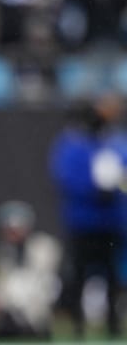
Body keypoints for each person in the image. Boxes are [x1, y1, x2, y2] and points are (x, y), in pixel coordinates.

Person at [49, 95, 127, 339]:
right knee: (79, 275)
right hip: (83, 222)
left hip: (111, 221)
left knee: (113, 275)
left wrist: (116, 188)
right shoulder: (72, 144)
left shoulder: (116, 143)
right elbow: (64, 178)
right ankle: (78, 324)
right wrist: (93, 190)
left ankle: (113, 324)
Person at [0, 201, 61, 340]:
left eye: (16, 229)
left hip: (34, 309)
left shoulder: (43, 247)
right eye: (9, 229)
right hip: (6, 312)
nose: (13, 233)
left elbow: (46, 284)